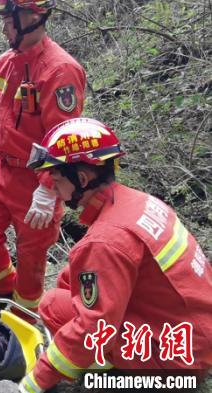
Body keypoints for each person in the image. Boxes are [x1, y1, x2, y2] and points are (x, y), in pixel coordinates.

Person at [14, 117, 212, 392]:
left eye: (57, 181)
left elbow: (90, 329)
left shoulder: (106, 240)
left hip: (176, 358)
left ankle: (116, 379)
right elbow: (79, 273)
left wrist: (31, 385)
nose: (56, 192)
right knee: (56, 302)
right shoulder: (139, 202)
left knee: (62, 314)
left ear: (82, 179)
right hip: (193, 331)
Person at [0, 0, 86, 321]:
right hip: (0, 170)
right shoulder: (5, 63)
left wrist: (48, 189)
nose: (4, 26)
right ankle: (5, 292)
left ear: (32, 17)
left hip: (38, 180)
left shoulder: (61, 70)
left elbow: (64, 137)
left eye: (9, 19)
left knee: (31, 257)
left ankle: (24, 320)